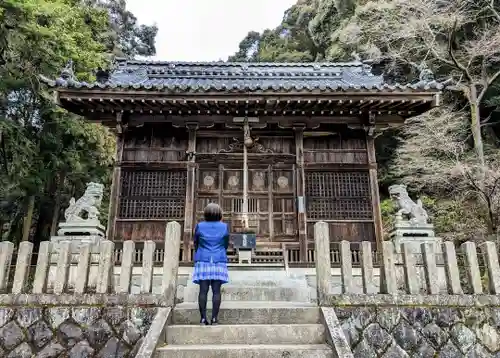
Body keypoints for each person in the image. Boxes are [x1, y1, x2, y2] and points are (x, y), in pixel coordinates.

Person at [192, 203, 230, 325]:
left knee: (203, 291)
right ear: (219, 214)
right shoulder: (224, 227)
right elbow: (226, 243)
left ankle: (203, 318)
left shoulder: (199, 226)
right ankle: (214, 318)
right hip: (218, 259)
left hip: (203, 259)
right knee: (216, 291)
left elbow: (196, 242)